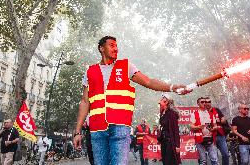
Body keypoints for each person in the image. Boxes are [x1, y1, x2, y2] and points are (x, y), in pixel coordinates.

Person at [73, 36, 192, 165]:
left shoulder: (125, 66)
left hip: (120, 127)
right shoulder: (90, 71)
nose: (116, 49)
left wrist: (172, 87)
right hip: (97, 129)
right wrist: (77, 132)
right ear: (101, 48)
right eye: (112, 45)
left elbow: (149, 81)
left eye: (116, 46)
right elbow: (85, 102)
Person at [190, 97, 219, 165]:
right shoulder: (194, 114)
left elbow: (215, 125)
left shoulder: (210, 114)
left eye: (205, 102)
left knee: (215, 160)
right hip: (199, 140)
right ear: (198, 104)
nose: (204, 103)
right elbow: (191, 126)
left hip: (211, 139)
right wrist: (198, 127)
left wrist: (213, 128)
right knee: (203, 161)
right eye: (202, 102)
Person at [204, 97, 230, 165]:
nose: (208, 103)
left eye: (209, 102)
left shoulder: (216, 110)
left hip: (221, 135)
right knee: (214, 158)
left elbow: (223, 118)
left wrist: (223, 120)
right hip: (211, 137)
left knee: (226, 154)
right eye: (206, 102)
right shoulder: (202, 112)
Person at [158, 93, 181, 165]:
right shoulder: (163, 113)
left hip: (170, 142)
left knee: (170, 162)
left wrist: (177, 145)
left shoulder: (172, 113)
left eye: (162, 98)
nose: (160, 100)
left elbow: (176, 130)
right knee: (165, 162)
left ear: (166, 102)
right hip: (164, 141)